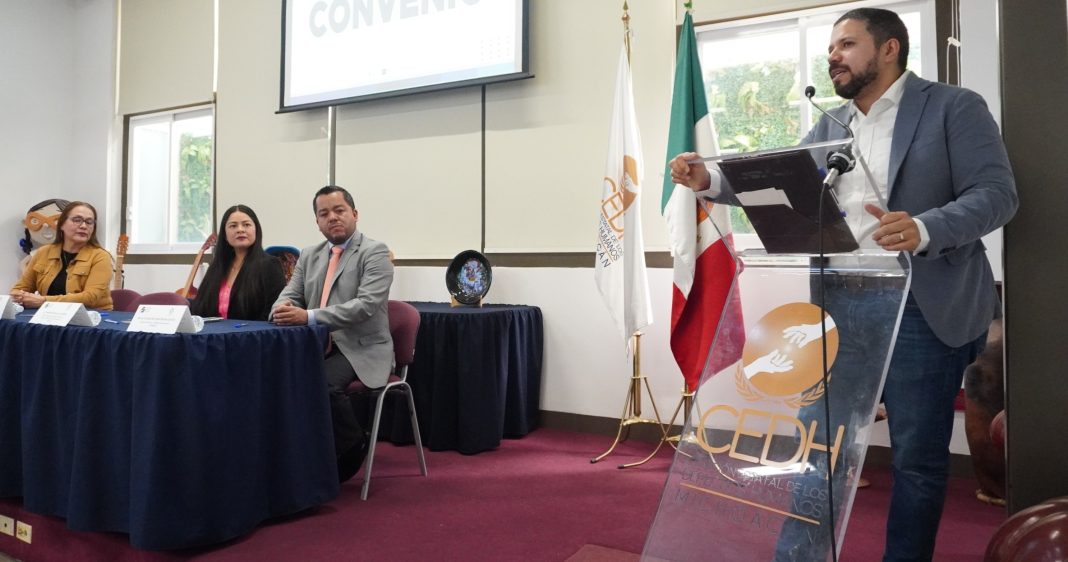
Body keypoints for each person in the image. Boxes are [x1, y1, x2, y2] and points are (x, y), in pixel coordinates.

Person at [669, 8, 1017, 561]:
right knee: (821, 447)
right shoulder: (831, 124)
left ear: (889, 49)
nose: (833, 55)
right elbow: (779, 177)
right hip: (840, 306)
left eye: (847, 44)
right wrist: (709, 178)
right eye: (831, 47)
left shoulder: (952, 107)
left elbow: (996, 194)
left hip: (920, 306)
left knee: (916, 460)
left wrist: (925, 227)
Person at [271, 185, 394, 483]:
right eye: (324, 214)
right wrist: (280, 310)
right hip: (316, 345)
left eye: (339, 210)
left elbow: (365, 306)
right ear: (317, 222)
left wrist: (309, 316)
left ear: (354, 213)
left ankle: (351, 446)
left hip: (361, 347)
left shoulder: (375, 252)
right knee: (277, 378)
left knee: (321, 382)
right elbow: (289, 295)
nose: (333, 218)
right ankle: (295, 457)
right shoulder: (309, 255)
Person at [10, 201, 114, 310]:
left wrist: (44, 301)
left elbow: (90, 297)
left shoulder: (101, 256)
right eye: (77, 220)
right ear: (62, 224)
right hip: (49, 313)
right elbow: (20, 289)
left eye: (89, 222)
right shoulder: (43, 252)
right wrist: (21, 296)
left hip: (92, 315)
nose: (84, 226)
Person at [189, 205, 287, 321]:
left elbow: (273, 312)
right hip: (214, 331)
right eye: (233, 226)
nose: (240, 229)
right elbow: (199, 308)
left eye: (246, 225)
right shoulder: (217, 266)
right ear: (225, 234)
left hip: (254, 332)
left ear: (256, 230)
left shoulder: (270, 265)